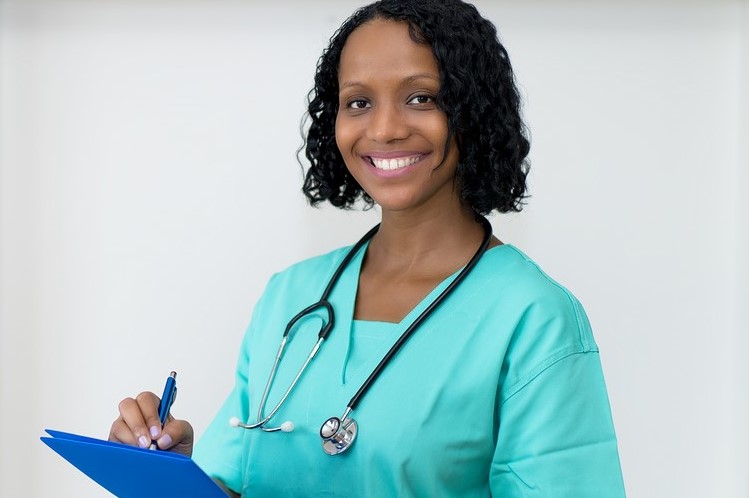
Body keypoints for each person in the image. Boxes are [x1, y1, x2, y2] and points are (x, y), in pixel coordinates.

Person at [109, 0, 626, 496]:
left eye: (420, 97)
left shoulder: (533, 319)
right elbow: (239, 483)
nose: (384, 129)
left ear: (471, 110)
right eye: (358, 102)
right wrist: (168, 475)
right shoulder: (291, 297)